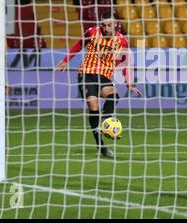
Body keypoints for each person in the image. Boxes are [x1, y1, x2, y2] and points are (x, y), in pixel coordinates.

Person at [55, 11, 141, 158]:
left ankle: (105, 124)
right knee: (93, 106)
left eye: (109, 25)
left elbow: (125, 63)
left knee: (114, 96)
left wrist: (129, 84)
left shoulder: (122, 41)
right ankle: (100, 145)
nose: (105, 28)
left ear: (116, 25)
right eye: (103, 24)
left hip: (105, 75)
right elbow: (78, 45)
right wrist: (65, 60)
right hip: (87, 74)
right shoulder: (92, 32)